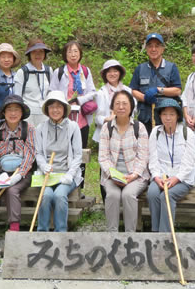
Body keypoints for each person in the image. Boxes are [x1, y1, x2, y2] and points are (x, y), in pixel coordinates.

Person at [0, 94, 37, 252]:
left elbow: (30, 155)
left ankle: (14, 232)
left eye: (16, 109)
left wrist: (17, 176)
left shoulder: (28, 128)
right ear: (3, 112)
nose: (13, 113)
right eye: (9, 109)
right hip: (0, 170)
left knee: (12, 191)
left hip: (22, 171)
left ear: (22, 112)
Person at [98, 90, 150, 232]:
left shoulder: (139, 128)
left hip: (136, 176)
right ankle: (112, 234)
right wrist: (113, 175)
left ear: (131, 107)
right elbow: (103, 157)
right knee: (113, 195)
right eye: (117, 104)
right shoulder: (106, 128)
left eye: (125, 104)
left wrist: (133, 175)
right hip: (112, 175)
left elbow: (143, 156)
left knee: (128, 194)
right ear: (112, 107)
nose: (121, 107)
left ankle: (130, 235)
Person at [50, 40, 97, 188]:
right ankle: (63, 184)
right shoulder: (59, 72)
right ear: (65, 54)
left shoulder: (85, 71)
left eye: (76, 51)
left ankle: (79, 186)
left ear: (80, 53)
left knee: (80, 152)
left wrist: (79, 100)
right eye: (70, 51)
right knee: (64, 151)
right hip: (64, 119)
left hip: (81, 119)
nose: (73, 54)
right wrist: (65, 102)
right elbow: (52, 92)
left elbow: (93, 92)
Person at [35, 91, 83, 232]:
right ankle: (42, 232)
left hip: (67, 175)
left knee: (59, 195)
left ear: (64, 109)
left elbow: (78, 155)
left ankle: (60, 232)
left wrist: (70, 174)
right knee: (46, 196)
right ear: (47, 109)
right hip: (48, 175)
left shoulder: (73, 127)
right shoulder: (41, 128)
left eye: (58, 106)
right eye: (51, 107)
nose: (55, 110)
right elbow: (38, 153)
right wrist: (43, 166)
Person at [148, 97, 195, 233]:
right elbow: (153, 159)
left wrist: (175, 179)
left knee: (166, 196)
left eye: (172, 114)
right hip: (161, 175)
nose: (168, 118)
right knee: (152, 193)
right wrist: (156, 177)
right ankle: (155, 232)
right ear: (160, 116)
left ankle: (165, 234)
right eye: (164, 114)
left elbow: (189, 163)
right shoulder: (156, 132)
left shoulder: (188, 133)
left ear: (178, 116)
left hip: (182, 178)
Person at [129, 33, 182, 133]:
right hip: (145, 117)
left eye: (157, 46)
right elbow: (133, 90)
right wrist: (144, 98)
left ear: (162, 49)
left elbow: (177, 90)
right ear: (146, 49)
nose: (153, 49)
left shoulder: (171, 67)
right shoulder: (140, 68)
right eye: (150, 46)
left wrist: (159, 90)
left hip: (166, 116)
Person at [13, 38, 54, 128]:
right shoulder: (23, 72)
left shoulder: (48, 71)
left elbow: (51, 92)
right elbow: (17, 97)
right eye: (34, 51)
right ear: (29, 54)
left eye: (41, 51)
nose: (38, 54)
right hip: (28, 115)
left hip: (45, 114)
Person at [93, 59, 131, 144]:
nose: (112, 74)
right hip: (107, 133)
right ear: (105, 75)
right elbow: (97, 117)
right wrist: (107, 119)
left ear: (120, 73)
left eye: (115, 71)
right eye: (109, 72)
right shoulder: (101, 93)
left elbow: (133, 111)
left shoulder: (128, 91)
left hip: (126, 132)